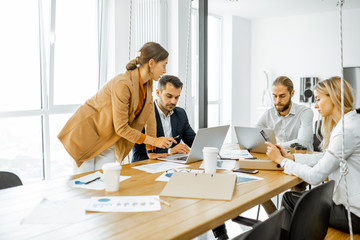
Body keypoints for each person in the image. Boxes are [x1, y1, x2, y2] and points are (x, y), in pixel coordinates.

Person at [58, 42, 176, 173]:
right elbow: (121, 127)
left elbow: (150, 116)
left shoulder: (147, 84)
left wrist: (151, 149)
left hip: (107, 139)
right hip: (85, 135)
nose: (164, 71)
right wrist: (153, 140)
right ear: (151, 63)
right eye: (163, 65)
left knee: (106, 180)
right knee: (86, 184)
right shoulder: (123, 83)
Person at [265, 76, 360, 233]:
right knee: (297, 199)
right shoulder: (351, 123)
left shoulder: (346, 131)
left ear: (334, 97)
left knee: (289, 199)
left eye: (318, 99)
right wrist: (292, 157)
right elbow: (326, 157)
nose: (315, 105)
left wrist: (282, 161)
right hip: (351, 206)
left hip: (353, 215)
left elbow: (316, 177)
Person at [131, 75, 196, 162]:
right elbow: (139, 152)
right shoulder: (143, 114)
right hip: (146, 165)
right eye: (169, 96)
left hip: (173, 164)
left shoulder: (180, 113)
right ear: (158, 93)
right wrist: (170, 151)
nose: (173, 101)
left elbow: (192, 140)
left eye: (176, 97)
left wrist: (207, 148)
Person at [255, 76, 314, 151]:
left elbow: (303, 142)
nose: (277, 100)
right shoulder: (268, 114)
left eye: (282, 96)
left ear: (292, 93)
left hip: (300, 159)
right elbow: (254, 133)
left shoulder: (305, 112)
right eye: (275, 96)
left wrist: (275, 146)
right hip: (278, 157)